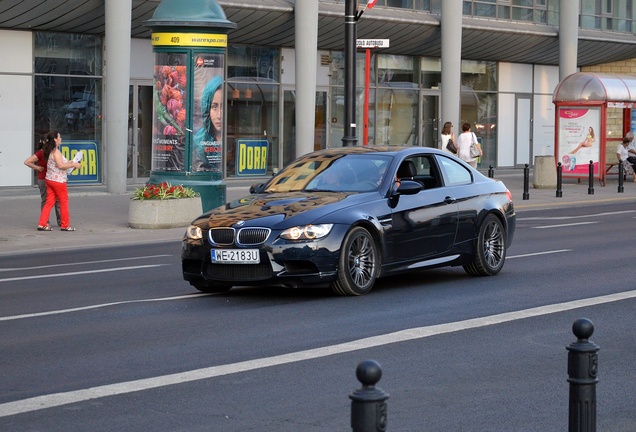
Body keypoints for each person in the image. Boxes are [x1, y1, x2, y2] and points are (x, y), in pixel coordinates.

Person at [36, 130, 81, 231]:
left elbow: (61, 164)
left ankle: (42, 223)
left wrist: (72, 162)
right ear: (55, 139)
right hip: (58, 181)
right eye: (59, 137)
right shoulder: (56, 152)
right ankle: (65, 225)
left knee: (49, 202)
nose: (61, 139)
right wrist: (73, 164)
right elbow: (61, 165)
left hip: (50, 180)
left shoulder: (51, 151)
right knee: (63, 202)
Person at [24, 135, 61, 227]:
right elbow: (27, 162)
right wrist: (38, 168)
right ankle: (45, 222)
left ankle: (60, 221)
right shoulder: (41, 153)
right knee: (46, 200)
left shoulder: (54, 152)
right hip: (43, 179)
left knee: (57, 200)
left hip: (54, 178)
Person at [193, 75, 223, 171]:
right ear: (207, 108)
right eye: (214, 106)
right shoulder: (198, 141)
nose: (219, 115)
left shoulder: (231, 138)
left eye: (223, 107)